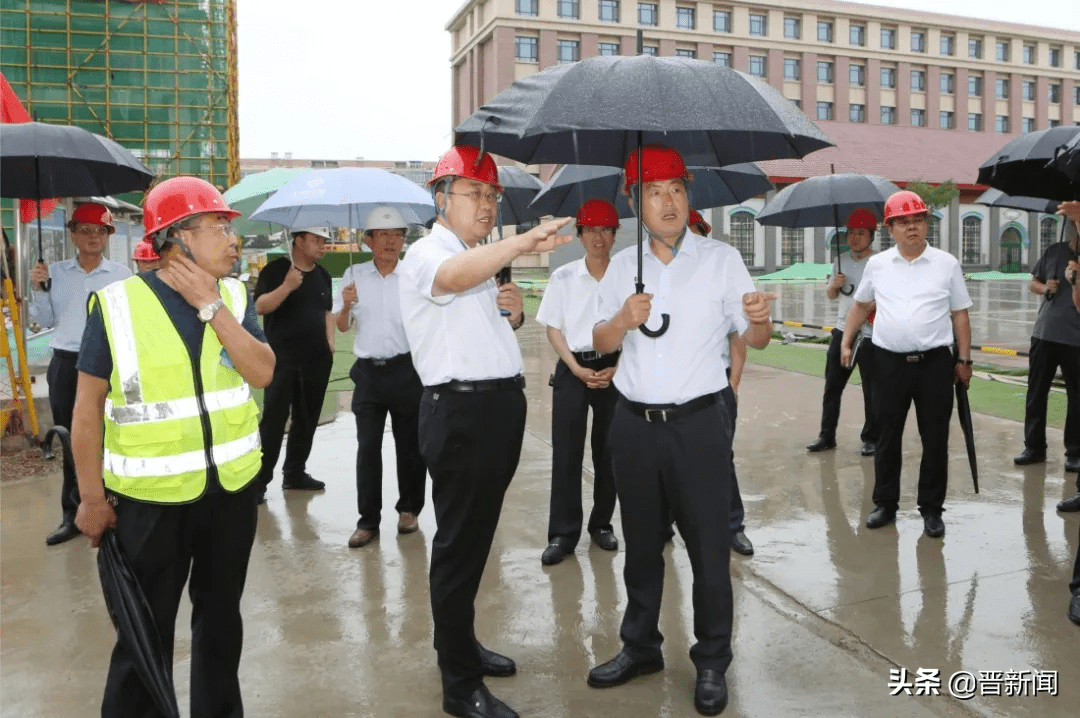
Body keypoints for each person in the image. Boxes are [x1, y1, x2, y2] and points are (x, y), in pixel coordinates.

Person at [70, 176, 274, 716]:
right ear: (178, 237)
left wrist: (211, 307)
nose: (234, 239)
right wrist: (91, 499)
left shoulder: (232, 294)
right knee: (145, 631)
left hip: (230, 495)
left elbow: (262, 371)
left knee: (221, 622)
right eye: (219, 227)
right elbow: (86, 408)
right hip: (150, 501)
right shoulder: (117, 305)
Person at [587, 145, 776, 717]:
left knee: (708, 548)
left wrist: (762, 319)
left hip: (698, 424)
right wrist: (622, 319)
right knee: (641, 547)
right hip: (634, 425)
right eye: (653, 191)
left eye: (675, 189)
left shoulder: (721, 260)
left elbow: (756, 338)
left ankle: (713, 659)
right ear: (634, 201)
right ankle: (640, 647)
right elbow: (598, 340)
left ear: (688, 194)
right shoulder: (623, 265)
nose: (667, 202)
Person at [398, 144, 571, 718]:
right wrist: (524, 240)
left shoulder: (479, 255)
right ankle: (459, 685)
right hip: (461, 415)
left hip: (495, 412)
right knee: (457, 548)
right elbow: (449, 279)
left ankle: (460, 644)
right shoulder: (429, 253)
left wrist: (515, 310)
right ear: (441, 198)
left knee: (474, 544)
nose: (487, 205)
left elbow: (486, 327)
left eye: (493, 196)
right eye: (475, 193)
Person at [841, 190, 972, 538]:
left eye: (918, 220)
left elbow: (960, 314)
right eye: (903, 222)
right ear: (891, 228)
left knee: (935, 438)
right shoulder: (878, 264)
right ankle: (885, 504)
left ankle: (931, 509)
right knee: (887, 437)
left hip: (935, 365)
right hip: (888, 362)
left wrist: (964, 359)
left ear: (926, 223)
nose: (912, 227)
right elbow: (859, 305)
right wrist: (845, 340)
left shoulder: (946, 263)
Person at [28, 201, 131, 545]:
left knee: (111, 438)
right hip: (66, 363)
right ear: (72, 233)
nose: (93, 237)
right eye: (85, 230)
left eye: (101, 230)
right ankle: (73, 514)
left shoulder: (122, 276)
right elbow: (44, 322)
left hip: (108, 365)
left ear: (108, 236)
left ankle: (115, 509)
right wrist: (38, 289)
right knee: (72, 441)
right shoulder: (53, 272)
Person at [334, 206, 426, 548]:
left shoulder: (414, 278)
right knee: (368, 448)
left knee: (410, 447)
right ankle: (367, 521)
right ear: (368, 240)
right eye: (383, 235)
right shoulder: (353, 277)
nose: (391, 241)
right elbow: (342, 326)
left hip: (407, 372)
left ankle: (409, 510)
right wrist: (345, 305)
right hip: (369, 376)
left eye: (397, 235)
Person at [535, 199, 621, 566]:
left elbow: (636, 328)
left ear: (614, 234)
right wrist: (574, 367)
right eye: (591, 230)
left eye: (605, 230)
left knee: (609, 453)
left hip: (615, 369)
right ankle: (562, 534)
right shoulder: (564, 277)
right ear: (581, 235)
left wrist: (617, 368)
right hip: (573, 368)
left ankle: (601, 524)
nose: (598, 237)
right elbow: (554, 328)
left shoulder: (626, 277)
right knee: (566, 452)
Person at [687, 210, 754, 557]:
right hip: (673, 390)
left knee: (720, 459)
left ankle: (732, 525)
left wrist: (735, 385)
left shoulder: (721, 274)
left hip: (717, 387)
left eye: (694, 232)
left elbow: (738, 338)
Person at [253, 226, 335, 501]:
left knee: (307, 418)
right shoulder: (276, 271)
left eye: (324, 241)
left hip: (316, 360)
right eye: (316, 240)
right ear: (298, 240)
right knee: (274, 420)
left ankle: (295, 473)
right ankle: (259, 482)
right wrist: (287, 286)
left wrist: (330, 345)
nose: (322, 246)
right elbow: (260, 306)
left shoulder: (322, 275)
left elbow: (326, 313)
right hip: (281, 360)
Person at [1013, 208, 1080, 485]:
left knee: (1076, 397)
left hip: (1075, 338)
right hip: (1044, 332)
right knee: (1036, 392)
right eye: (1074, 220)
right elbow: (1033, 283)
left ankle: (1074, 452)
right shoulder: (1054, 250)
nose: (1076, 225)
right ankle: (1034, 447)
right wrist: (1046, 288)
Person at [807, 208, 879, 456]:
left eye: (861, 233)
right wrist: (833, 285)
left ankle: (871, 438)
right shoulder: (840, 260)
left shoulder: (879, 263)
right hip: (841, 331)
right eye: (851, 233)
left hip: (870, 336)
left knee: (872, 390)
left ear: (871, 235)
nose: (855, 238)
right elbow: (831, 295)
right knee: (832, 387)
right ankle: (826, 436)